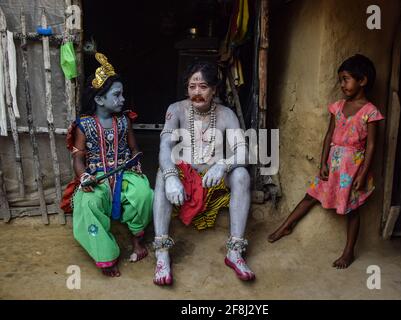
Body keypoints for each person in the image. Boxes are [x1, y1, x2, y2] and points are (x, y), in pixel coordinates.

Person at [268, 54, 384, 269]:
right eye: (340, 79)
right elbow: (329, 135)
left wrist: (362, 173)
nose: (342, 84)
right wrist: (323, 163)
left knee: (352, 210)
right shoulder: (338, 107)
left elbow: (371, 146)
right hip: (333, 164)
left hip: (352, 168)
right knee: (310, 195)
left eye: (346, 79)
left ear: (363, 80)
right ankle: (285, 226)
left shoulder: (370, 112)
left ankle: (348, 252)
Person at [152, 60, 255, 285]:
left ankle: (235, 252)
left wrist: (222, 165)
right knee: (162, 173)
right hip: (185, 176)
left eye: (203, 87)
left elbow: (245, 153)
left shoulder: (226, 114)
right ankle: (162, 253)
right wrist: (171, 178)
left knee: (241, 175)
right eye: (192, 86)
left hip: (213, 180)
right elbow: (165, 147)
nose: (196, 92)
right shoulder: (176, 109)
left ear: (214, 89)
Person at [61, 53, 154, 277]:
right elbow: (78, 158)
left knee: (143, 194)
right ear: (99, 99)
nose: (122, 99)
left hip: (125, 172)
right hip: (96, 176)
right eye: (117, 95)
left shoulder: (124, 120)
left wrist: (135, 159)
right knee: (88, 204)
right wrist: (84, 178)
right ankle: (105, 255)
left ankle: (137, 241)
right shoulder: (84, 124)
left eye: (122, 94)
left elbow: (134, 149)